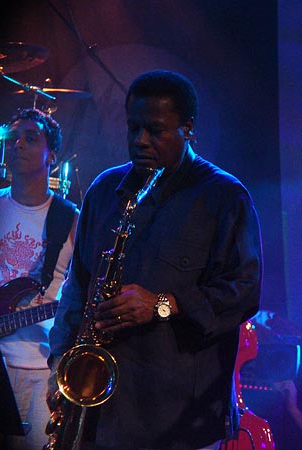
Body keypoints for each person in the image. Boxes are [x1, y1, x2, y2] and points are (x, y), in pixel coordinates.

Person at [46, 69, 263, 450]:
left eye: (155, 130)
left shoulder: (225, 196)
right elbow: (77, 286)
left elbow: (244, 291)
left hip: (177, 415)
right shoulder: (105, 190)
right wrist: (60, 364)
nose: (140, 141)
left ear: (188, 128)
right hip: (101, 411)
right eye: (133, 128)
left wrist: (162, 304)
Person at [0, 107, 79, 450]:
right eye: (13, 139)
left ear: (51, 155)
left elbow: (84, 289)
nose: (18, 144)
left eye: (30, 138)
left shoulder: (70, 219)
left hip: (40, 368)